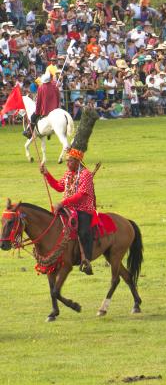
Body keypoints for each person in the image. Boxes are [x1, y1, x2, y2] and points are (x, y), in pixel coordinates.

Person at [39, 108, 99, 275]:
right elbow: (59, 186)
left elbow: (80, 195)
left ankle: (86, 259)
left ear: (77, 160)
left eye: (70, 161)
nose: (68, 164)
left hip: (83, 209)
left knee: (84, 231)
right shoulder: (69, 173)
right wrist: (46, 174)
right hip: (68, 208)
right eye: (67, 161)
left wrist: (62, 202)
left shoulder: (85, 174)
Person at [27, 72, 59, 138]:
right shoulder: (55, 86)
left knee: (33, 117)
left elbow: (39, 101)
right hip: (55, 109)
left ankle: (29, 132)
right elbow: (58, 97)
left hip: (46, 109)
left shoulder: (41, 88)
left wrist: (37, 110)